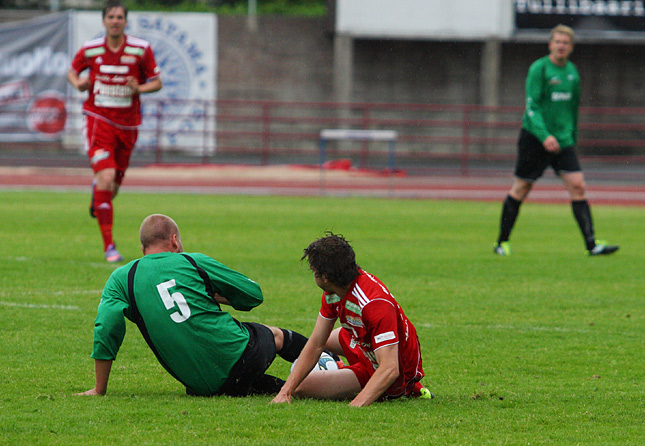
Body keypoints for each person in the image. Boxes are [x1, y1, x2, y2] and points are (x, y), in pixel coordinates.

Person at [77, 214, 309, 397]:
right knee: (276, 336)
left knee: (245, 383)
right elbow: (253, 294)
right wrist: (219, 297)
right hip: (243, 354)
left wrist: (100, 388)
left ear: (143, 249)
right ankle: (332, 362)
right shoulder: (191, 260)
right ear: (175, 240)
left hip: (202, 385)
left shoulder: (121, 278)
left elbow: (106, 327)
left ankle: (304, 387)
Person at [493, 24, 619, 257]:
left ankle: (592, 246)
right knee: (522, 188)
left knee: (578, 186)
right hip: (535, 139)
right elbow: (532, 107)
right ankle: (502, 242)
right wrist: (544, 136)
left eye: (566, 43)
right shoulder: (539, 69)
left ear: (571, 47)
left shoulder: (572, 72)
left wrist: (571, 137)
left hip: (562, 142)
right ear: (550, 44)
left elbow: (573, 109)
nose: (561, 46)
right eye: (557, 42)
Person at [271, 232, 431, 407]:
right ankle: (336, 365)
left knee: (301, 388)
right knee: (309, 357)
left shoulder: (374, 303)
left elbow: (390, 369)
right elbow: (317, 342)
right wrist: (284, 391)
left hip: (389, 368)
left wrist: (355, 406)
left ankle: (410, 387)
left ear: (325, 277)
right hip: (362, 341)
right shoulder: (333, 292)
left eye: (314, 271)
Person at [67, 0, 163, 262]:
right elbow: (72, 72)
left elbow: (157, 82)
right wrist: (79, 83)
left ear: (125, 21)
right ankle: (110, 246)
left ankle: (97, 195)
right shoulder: (91, 49)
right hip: (99, 121)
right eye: (111, 17)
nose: (115, 21)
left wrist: (139, 89)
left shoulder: (140, 49)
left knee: (113, 187)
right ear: (104, 21)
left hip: (128, 126)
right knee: (106, 178)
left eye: (120, 17)